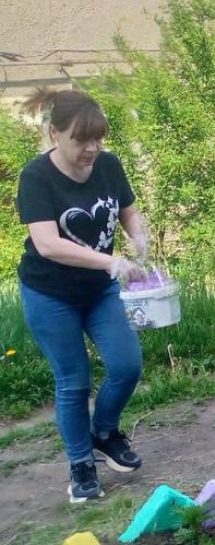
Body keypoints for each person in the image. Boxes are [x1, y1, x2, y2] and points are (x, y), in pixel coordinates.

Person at [16, 89, 151, 503]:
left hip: (98, 290)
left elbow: (126, 208)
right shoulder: (36, 177)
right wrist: (110, 262)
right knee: (73, 381)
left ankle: (104, 432)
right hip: (50, 294)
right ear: (55, 134)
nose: (92, 148)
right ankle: (81, 465)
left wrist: (138, 236)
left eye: (98, 138)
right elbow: (48, 244)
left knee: (127, 366)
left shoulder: (108, 165)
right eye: (81, 139)